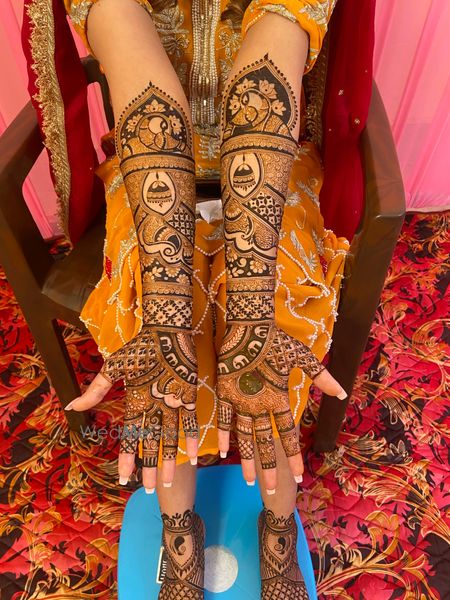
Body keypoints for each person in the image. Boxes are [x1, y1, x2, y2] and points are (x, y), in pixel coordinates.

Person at [42, 1, 349, 597]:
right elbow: (143, 91)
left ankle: (278, 526)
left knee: (275, 315)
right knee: (154, 333)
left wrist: (252, 310)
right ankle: (179, 528)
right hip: (147, 174)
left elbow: (269, 67)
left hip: (273, 169)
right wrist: (168, 311)